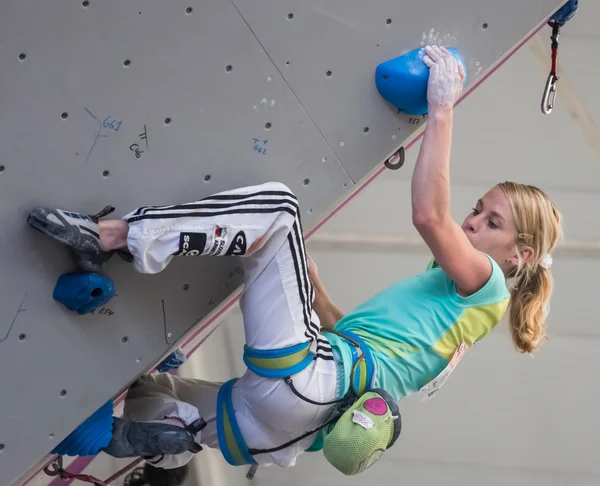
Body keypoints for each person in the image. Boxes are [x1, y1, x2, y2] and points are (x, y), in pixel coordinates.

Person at [27, 46, 562, 477]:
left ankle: (115, 236)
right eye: (477, 211)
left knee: (281, 211)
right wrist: (318, 293)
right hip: (292, 428)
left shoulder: (489, 284)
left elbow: (429, 214)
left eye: (491, 222)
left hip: (315, 381)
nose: (471, 223)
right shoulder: (452, 314)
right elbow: (360, 338)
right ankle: (150, 438)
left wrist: (441, 110)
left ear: (521, 255)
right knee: (148, 388)